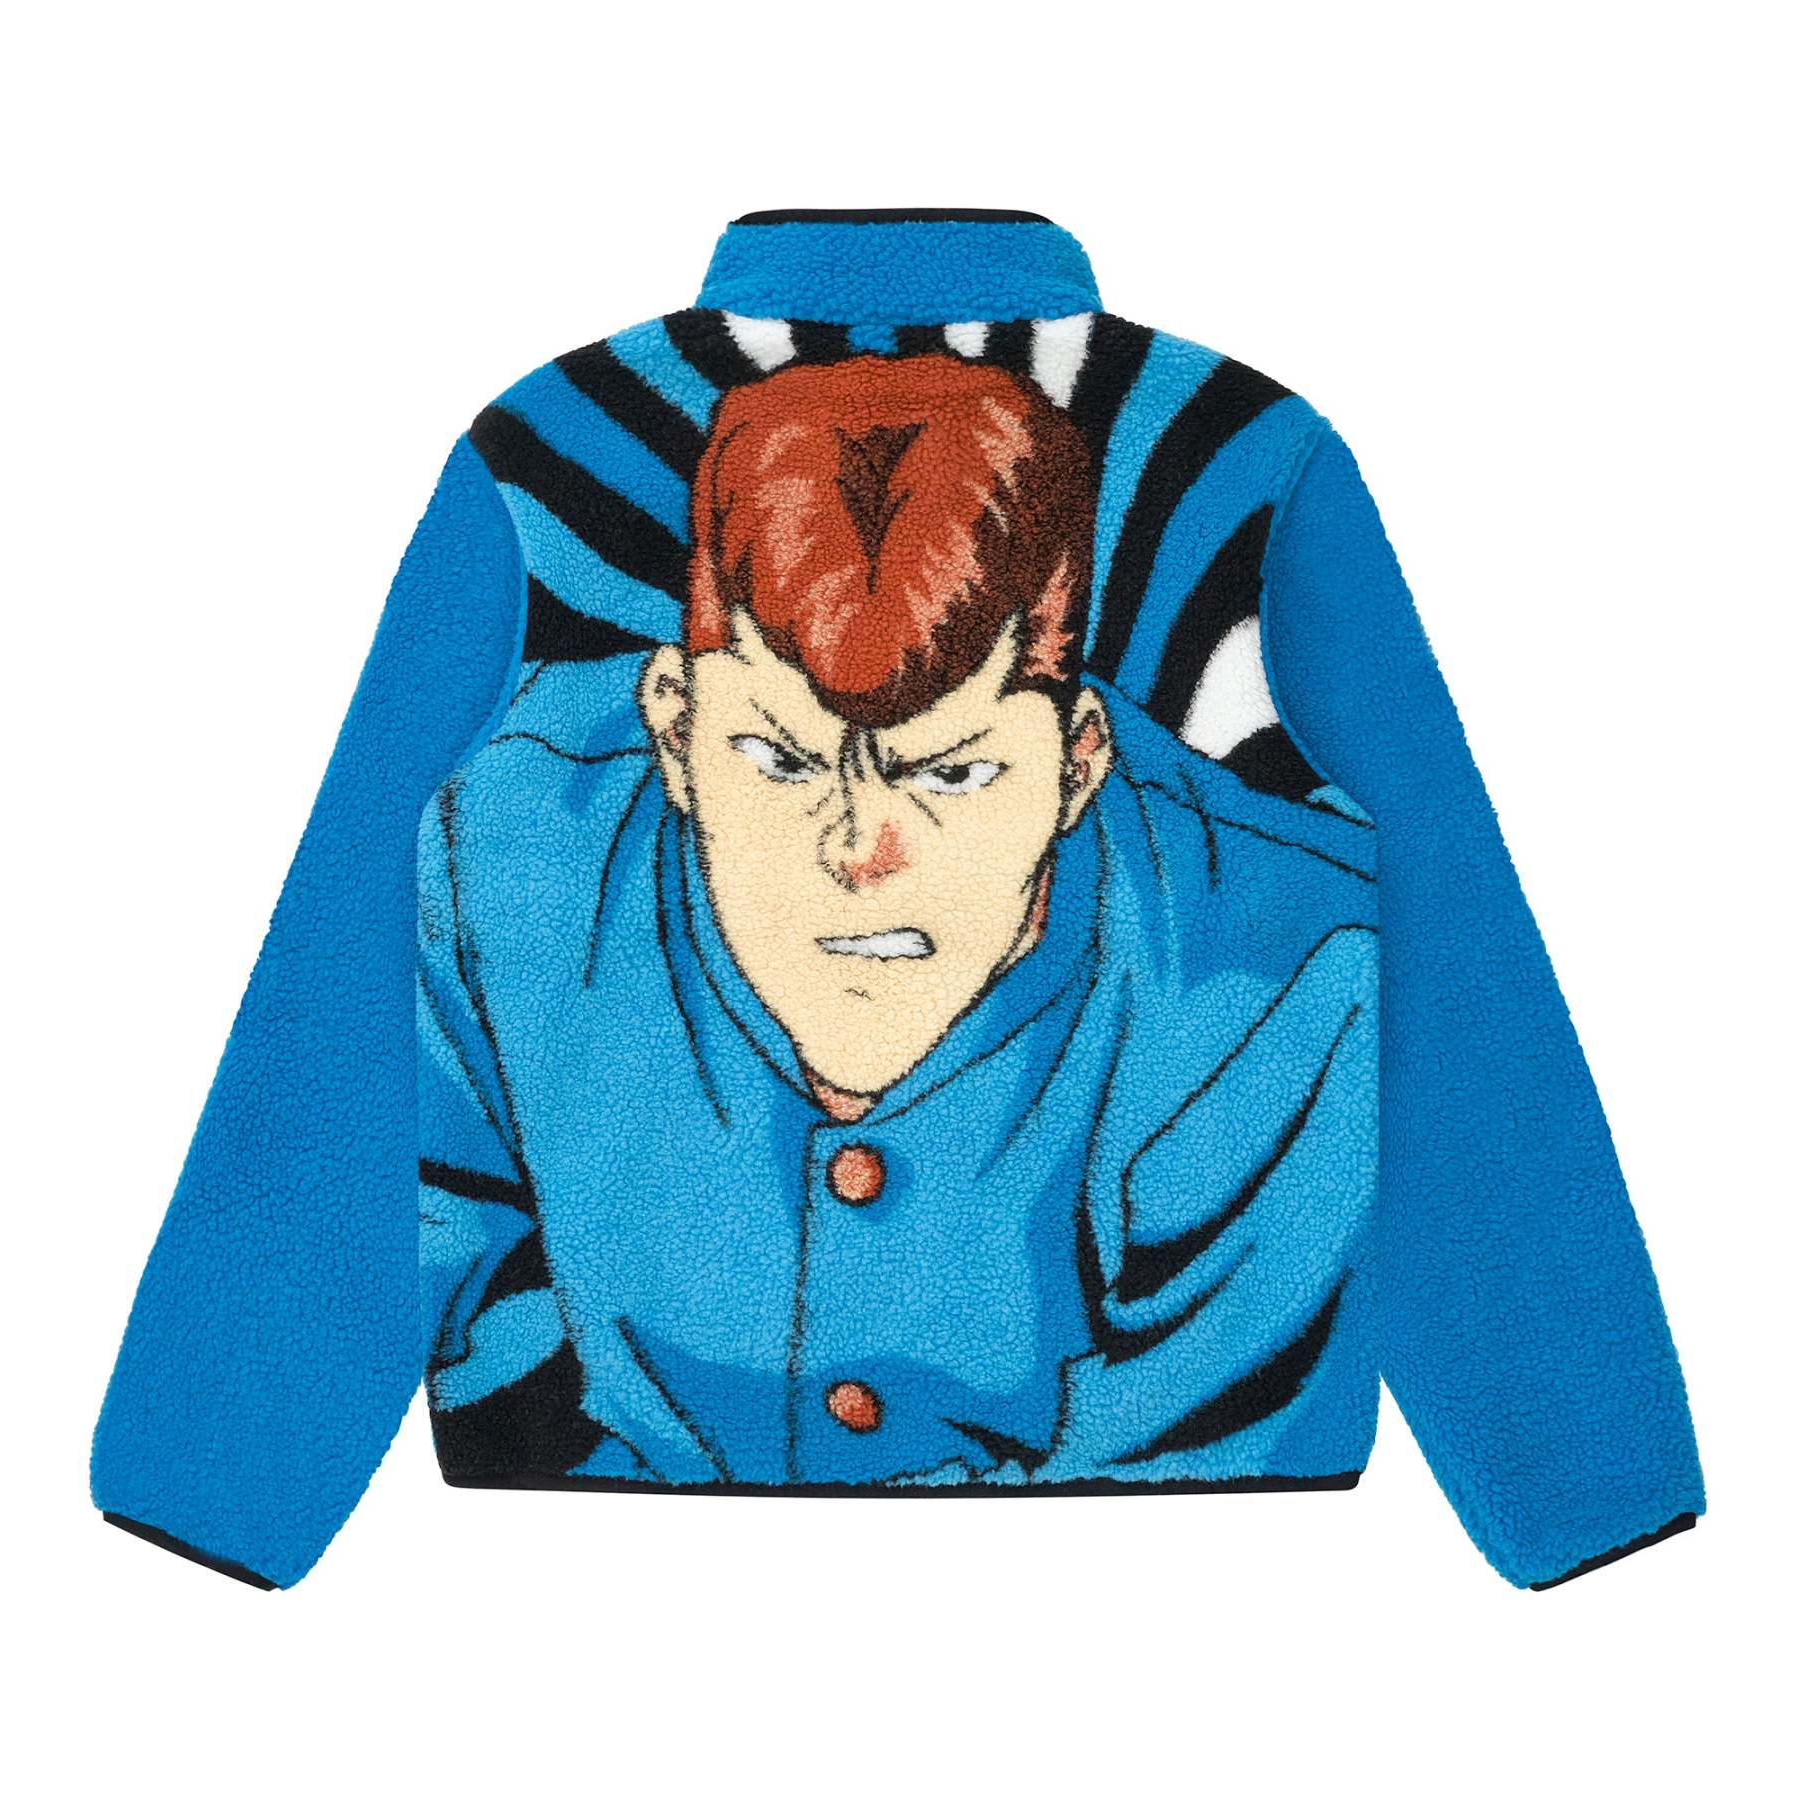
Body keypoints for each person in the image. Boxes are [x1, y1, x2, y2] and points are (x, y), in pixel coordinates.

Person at [418, 352, 1379, 1490]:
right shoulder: (487, 849)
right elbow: (413, 1242)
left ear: (1078, 766)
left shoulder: (1286, 977)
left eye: (954, 774)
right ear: (674, 728)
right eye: (779, 760)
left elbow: (1199, 1488)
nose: (860, 854)